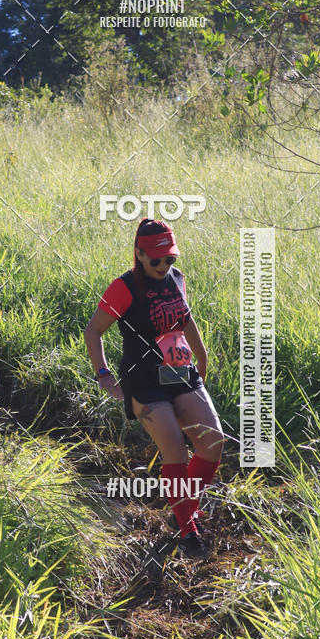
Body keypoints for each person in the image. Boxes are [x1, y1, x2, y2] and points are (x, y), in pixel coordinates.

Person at [84, 218, 224, 558]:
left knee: (213, 442)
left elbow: (185, 320)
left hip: (179, 373)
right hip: (144, 381)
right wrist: (103, 373)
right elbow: (93, 331)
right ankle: (187, 527)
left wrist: (202, 358)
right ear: (139, 254)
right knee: (174, 446)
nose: (164, 266)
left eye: (170, 259)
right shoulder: (124, 288)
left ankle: (183, 505)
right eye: (156, 260)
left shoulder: (177, 279)